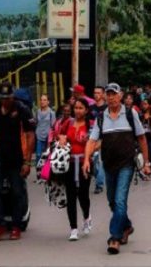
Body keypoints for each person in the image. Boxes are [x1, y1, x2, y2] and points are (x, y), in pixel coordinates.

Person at [82, 82, 151, 255]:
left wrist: (147, 163)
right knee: (113, 201)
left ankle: (114, 237)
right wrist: (86, 159)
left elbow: (142, 138)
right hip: (108, 165)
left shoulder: (130, 114)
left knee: (120, 201)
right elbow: (92, 140)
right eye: (108, 94)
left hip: (126, 165)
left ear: (120, 96)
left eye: (114, 93)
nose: (111, 97)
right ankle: (126, 226)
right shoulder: (101, 117)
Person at [0, 82, 37, 241]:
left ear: (12, 97)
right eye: (2, 98)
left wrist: (27, 162)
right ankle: (0, 223)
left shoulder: (22, 109)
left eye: (8, 98)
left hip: (17, 159)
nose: (5, 101)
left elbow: (30, 136)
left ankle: (16, 225)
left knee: (17, 192)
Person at [57, 98, 93, 241]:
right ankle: (73, 228)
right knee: (70, 195)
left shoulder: (91, 125)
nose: (77, 110)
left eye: (80, 108)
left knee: (83, 194)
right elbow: (58, 134)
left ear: (86, 110)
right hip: (69, 163)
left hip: (85, 163)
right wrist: (61, 138)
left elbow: (98, 142)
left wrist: (89, 146)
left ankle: (87, 216)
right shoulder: (68, 123)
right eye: (76, 108)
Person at [89, 86, 107, 194]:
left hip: (104, 137)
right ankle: (98, 177)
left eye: (99, 92)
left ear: (103, 94)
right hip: (92, 137)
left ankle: (99, 184)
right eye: (95, 92)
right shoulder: (90, 108)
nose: (96, 94)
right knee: (93, 163)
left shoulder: (107, 109)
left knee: (101, 162)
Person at [34, 94, 55, 168]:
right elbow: (36, 122)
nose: (42, 101)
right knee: (38, 155)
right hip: (39, 137)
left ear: (48, 102)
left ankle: (46, 175)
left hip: (48, 138)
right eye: (41, 100)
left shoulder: (51, 113)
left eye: (44, 100)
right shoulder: (37, 112)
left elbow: (53, 127)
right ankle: (38, 175)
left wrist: (52, 139)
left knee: (47, 156)